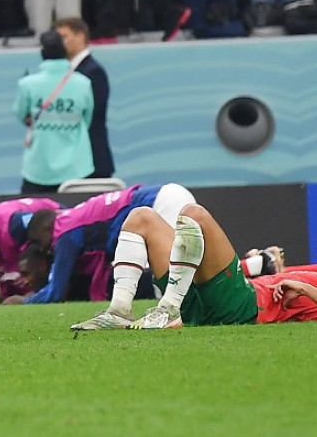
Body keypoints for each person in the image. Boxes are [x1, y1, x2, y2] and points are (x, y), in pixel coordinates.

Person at [74, 202, 317, 329]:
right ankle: (119, 310)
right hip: (215, 300)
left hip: (242, 303)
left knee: (195, 215)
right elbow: (299, 277)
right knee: (141, 217)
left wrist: (302, 286)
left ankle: (169, 307)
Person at [12, 182, 198, 305]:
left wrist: (23, 301)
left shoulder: (64, 233)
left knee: (170, 284)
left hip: (161, 204)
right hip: (171, 194)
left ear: (46, 228)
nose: (44, 249)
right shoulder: (73, 216)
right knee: (183, 271)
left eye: (38, 242)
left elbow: (55, 293)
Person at [15, 30, 94, 193]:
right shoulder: (84, 83)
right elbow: (87, 119)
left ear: (42, 53)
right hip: (76, 168)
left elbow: (21, 114)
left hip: (37, 169)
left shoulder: (27, 84)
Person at [55, 17, 114, 179]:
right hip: (73, 160)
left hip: (92, 160)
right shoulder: (68, 71)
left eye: (64, 37)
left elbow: (90, 114)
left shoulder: (93, 72)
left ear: (80, 37)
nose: (60, 43)